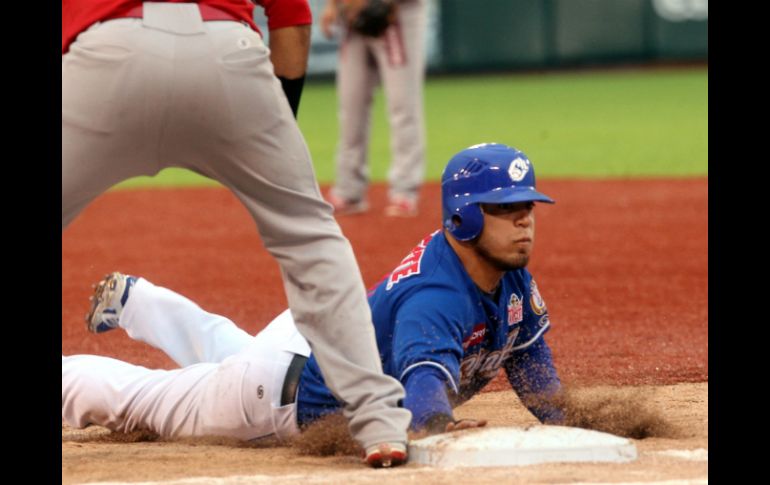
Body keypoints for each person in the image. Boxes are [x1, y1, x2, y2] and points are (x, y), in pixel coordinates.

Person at [61, 0, 411, 467]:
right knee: (310, 238)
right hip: (227, 53)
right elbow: (292, 21)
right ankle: (378, 420)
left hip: (105, 55)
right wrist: (272, 127)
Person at [62, 143, 565, 466]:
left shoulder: (510, 277)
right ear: (463, 218)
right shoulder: (435, 299)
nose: (524, 221)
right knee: (138, 401)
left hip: (306, 344)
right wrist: (438, 424)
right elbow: (423, 392)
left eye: (527, 208)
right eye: (504, 209)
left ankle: (140, 303)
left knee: (229, 355)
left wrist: (564, 422)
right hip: (274, 397)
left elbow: (528, 356)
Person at [320, 0, 428, 217]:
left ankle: (404, 191)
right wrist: (333, 5)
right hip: (353, 20)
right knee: (351, 108)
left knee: (403, 107)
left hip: (398, 17)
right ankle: (349, 190)